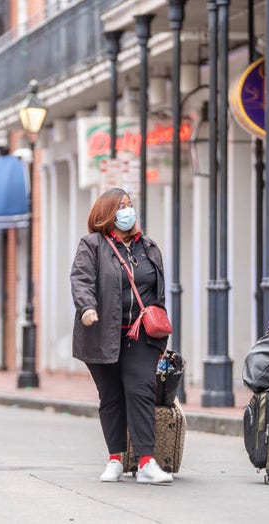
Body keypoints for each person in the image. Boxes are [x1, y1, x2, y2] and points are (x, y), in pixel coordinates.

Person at [70, 188, 173, 485]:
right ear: (106, 214)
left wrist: (161, 338)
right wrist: (87, 307)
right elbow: (81, 279)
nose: (128, 211)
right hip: (101, 333)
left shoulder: (149, 247)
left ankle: (145, 462)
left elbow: (158, 293)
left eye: (130, 205)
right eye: (121, 207)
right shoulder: (92, 245)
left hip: (140, 335)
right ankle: (115, 459)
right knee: (112, 396)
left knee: (141, 390)